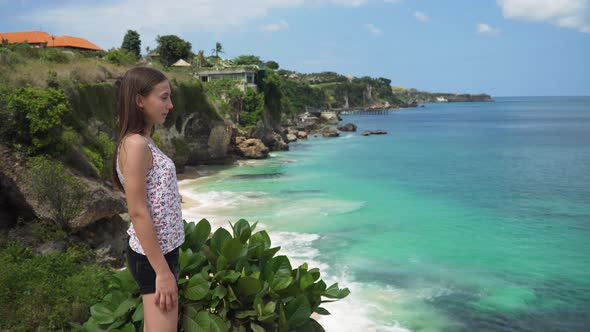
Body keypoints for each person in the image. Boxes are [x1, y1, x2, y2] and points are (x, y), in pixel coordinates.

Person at [111, 66, 185, 331]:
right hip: (154, 257)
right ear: (139, 100)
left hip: (161, 253)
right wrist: (163, 273)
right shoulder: (136, 145)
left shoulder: (144, 141)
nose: (170, 104)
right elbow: (138, 211)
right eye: (163, 97)